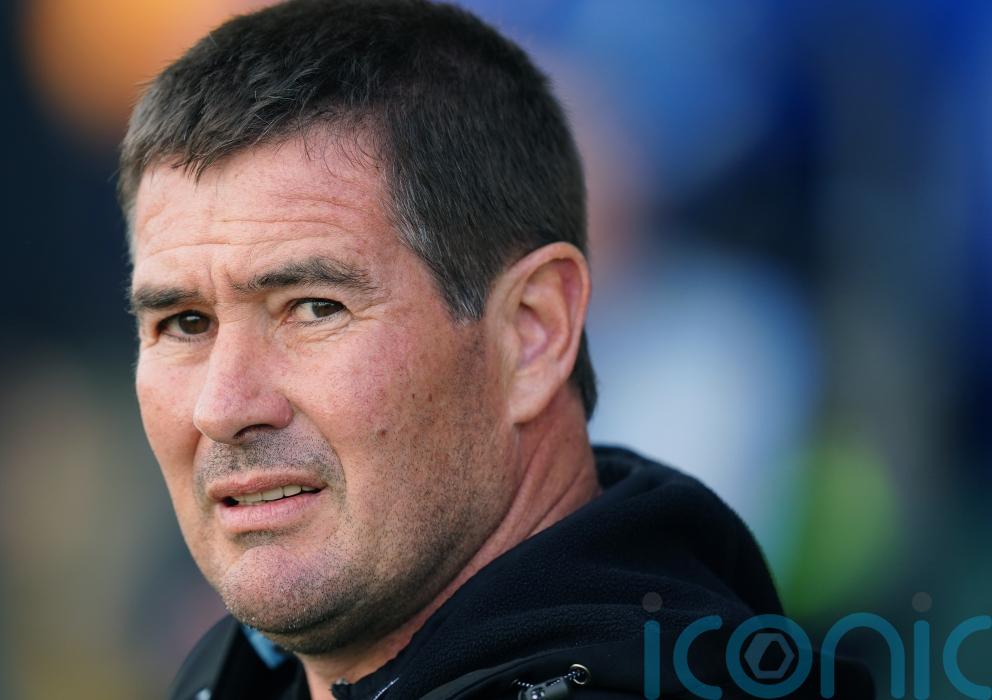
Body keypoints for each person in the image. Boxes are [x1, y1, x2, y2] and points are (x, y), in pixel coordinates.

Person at [118, 1, 873, 697]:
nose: (224, 406)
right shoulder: (244, 669)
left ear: (532, 333)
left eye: (314, 309)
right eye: (184, 323)